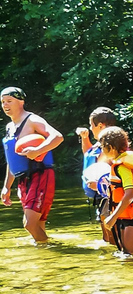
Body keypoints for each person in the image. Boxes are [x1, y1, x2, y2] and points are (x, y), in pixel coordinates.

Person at [1, 87, 63, 243]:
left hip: (40, 174)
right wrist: (7, 187)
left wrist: (38, 150)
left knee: (29, 224)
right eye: (3, 102)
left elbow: (57, 137)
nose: (5, 105)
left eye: (9, 101)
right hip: (23, 179)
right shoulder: (9, 127)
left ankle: (52, 251)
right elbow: (12, 160)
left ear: (21, 101)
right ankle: (45, 256)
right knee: (37, 224)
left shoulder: (32, 120)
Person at [99, 127, 133, 255]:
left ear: (110, 147)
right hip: (124, 213)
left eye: (102, 147)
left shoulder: (123, 167)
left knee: (128, 254)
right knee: (124, 253)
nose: (101, 150)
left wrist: (112, 217)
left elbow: (129, 195)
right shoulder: (117, 165)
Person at [76, 107, 117, 244]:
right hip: (101, 196)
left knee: (111, 229)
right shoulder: (98, 145)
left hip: (110, 195)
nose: (90, 128)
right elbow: (89, 154)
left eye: (91, 125)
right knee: (106, 236)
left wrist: (99, 184)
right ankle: (111, 259)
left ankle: (120, 257)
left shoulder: (111, 145)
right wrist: (84, 138)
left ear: (100, 125)